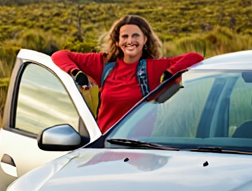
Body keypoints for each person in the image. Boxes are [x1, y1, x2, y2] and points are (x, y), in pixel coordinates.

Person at [52, 14, 203, 132]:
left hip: (142, 150)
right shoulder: (102, 64)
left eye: (135, 36)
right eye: (125, 36)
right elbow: (59, 55)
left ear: (145, 40)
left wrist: (170, 73)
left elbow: (195, 57)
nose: (130, 41)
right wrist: (76, 72)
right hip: (104, 147)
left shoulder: (154, 67)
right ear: (117, 42)